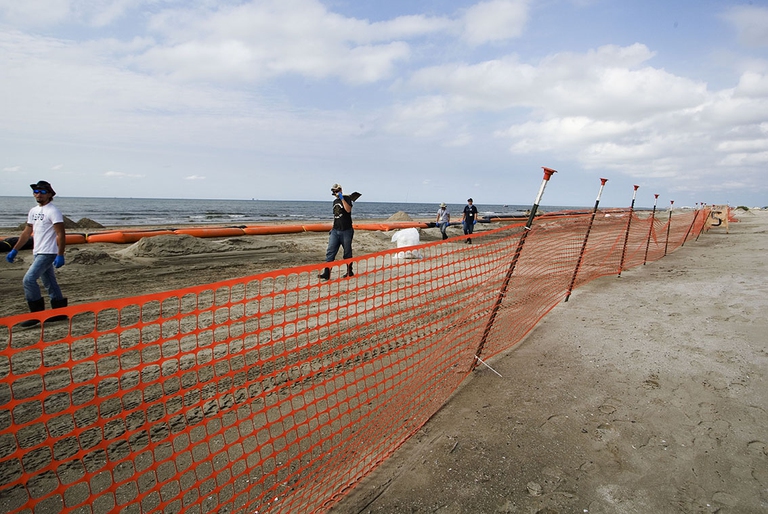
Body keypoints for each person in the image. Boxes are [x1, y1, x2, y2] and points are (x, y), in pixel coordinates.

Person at [5, 180, 68, 326]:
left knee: (28, 280)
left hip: (48, 252)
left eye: (43, 192)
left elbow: (61, 234)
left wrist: (60, 254)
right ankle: (59, 313)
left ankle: (37, 315)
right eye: (36, 191)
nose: (38, 194)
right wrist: (15, 249)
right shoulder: (33, 211)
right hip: (38, 251)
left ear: (50, 194)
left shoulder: (53, 211)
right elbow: (27, 232)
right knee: (49, 282)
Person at [318, 183, 355, 280]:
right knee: (330, 251)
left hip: (346, 230)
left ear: (341, 190)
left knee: (347, 252)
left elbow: (348, 210)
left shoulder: (347, 199)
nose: (335, 192)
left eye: (337, 190)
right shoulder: (334, 202)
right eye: (334, 191)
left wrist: (342, 198)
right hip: (335, 230)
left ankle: (349, 271)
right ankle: (327, 273)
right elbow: (336, 216)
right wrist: (332, 228)